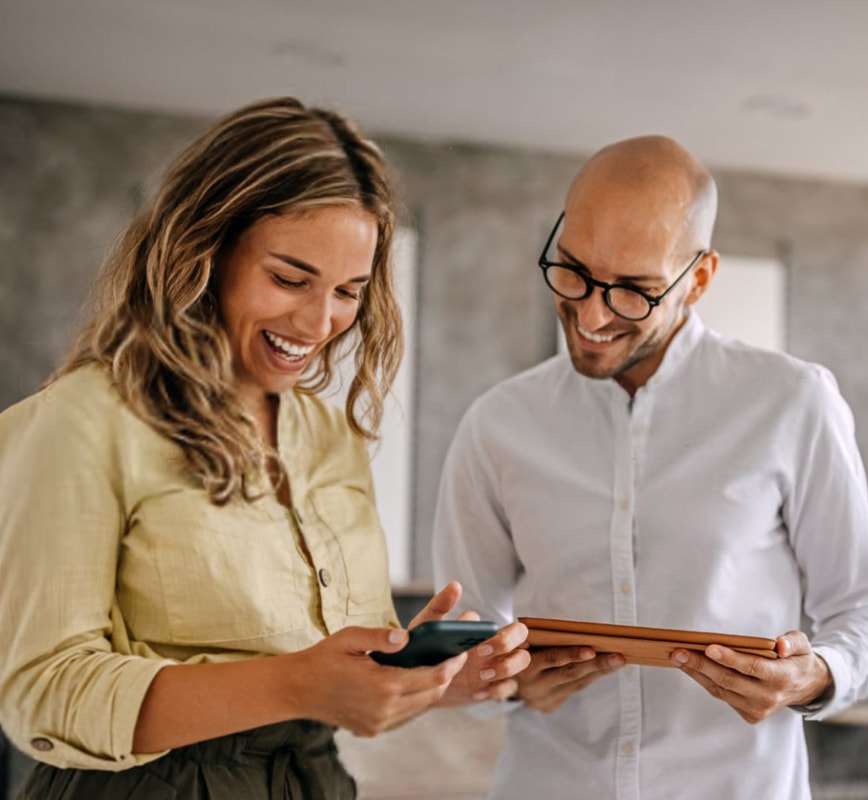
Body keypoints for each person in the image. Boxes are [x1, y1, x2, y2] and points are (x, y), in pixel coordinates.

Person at [0, 96, 528, 799]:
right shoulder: (86, 419)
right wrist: (295, 683)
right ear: (205, 248)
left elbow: (335, 683)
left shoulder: (329, 438)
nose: (319, 322)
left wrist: (427, 679)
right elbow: (43, 692)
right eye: (288, 278)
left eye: (349, 291)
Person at [432, 135, 868, 799]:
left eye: (634, 291)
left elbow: (864, 610)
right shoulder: (496, 425)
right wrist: (500, 681)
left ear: (698, 279)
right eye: (573, 270)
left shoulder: (792, 402)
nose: (592, 314)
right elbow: (464, 636)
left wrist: (814, 674)